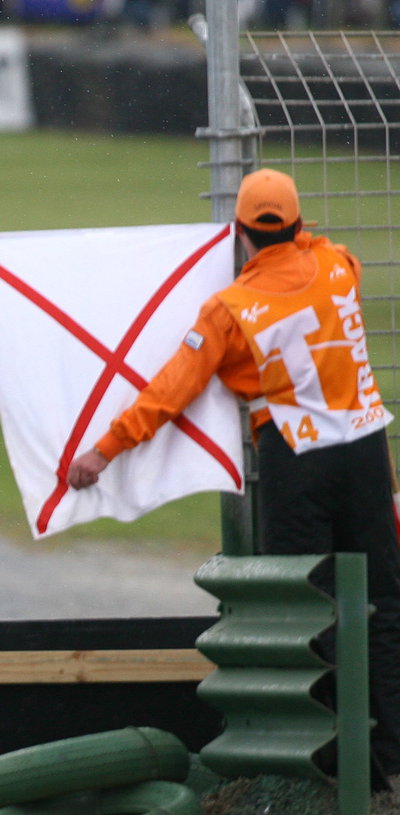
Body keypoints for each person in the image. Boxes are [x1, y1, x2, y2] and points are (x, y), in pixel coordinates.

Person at [67, 168, 400, 782]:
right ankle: (392, 756)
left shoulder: (230, 309)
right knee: (383, 603)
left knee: (307, 608)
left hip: (297, 458)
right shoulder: (340, 266)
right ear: (301, 224)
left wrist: (105, 449)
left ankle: (331, 760)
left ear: (240, 233)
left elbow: (172, 389)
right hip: (365, 448)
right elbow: (322, 268)